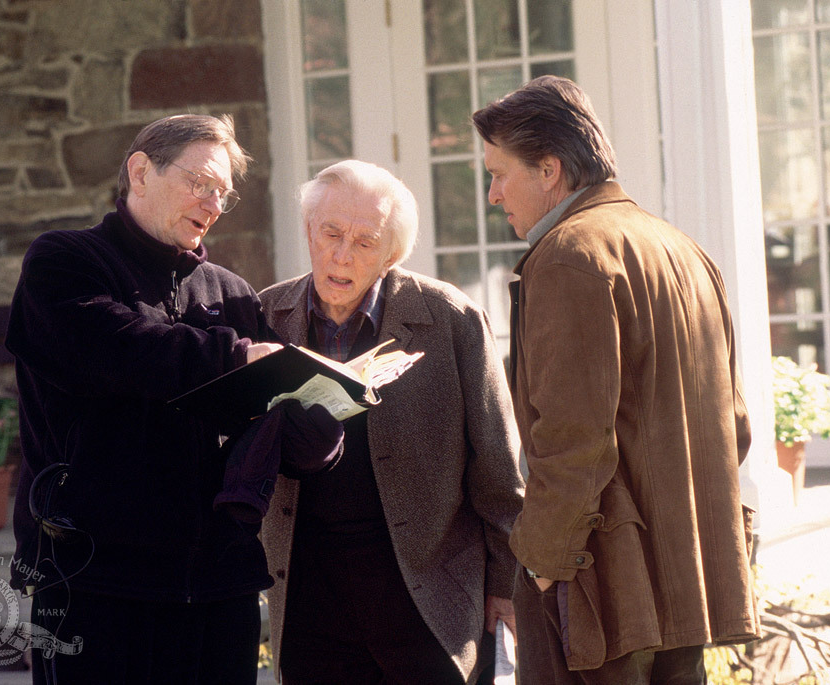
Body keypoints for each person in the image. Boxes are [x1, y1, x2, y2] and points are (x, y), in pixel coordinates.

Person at [5, 113, 327, 684]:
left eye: (222, 195)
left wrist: (325, 412)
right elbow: (121, 349)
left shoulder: (231, 292)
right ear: (140, 171)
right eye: (199, 183)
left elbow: (274, 423)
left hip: (218, 584)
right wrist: (235, 359)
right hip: (94, 579)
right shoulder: (64, 262)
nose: (211, 203)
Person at [470, 75, 762, 684]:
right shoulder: (682, 248)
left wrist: (540, 563)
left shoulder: (570, 255)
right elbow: (732, 427)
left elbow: (574, 437)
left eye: (500, 173)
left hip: (599, 590)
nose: (494, 193)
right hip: (682, 583)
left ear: (549, 169)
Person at [258, 160, 525, 684]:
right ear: (309, 231)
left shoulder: (451, 319)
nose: (340, 255)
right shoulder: (266, 316)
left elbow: (499, 468)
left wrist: (505, 587)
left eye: (364, 242)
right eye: (330, 233)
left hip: (429, 599)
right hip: (311, 601)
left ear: (391, 254)